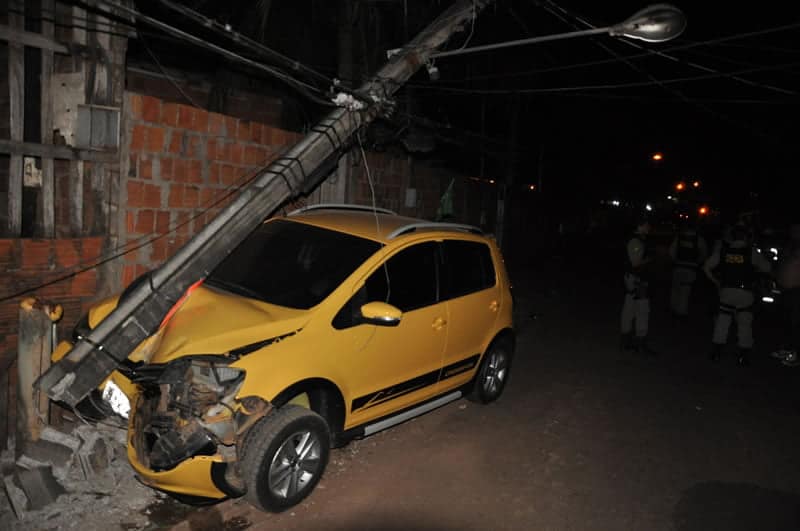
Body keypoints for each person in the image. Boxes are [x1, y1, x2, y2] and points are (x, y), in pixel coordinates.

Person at [703, 223, 771, 365]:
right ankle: (743, 356)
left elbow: (706, 267)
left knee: (722, 321)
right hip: (745, 293)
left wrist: (716, 281)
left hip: (727, 291)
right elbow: (767, 268)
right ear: (746, 237)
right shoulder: (751, 252)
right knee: (745, 323)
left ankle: (716, 352)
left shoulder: (723, 251)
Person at [621, 217, 653, 353]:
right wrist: (649, 259)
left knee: (630, 308)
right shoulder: (635, 241)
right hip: (637, 280)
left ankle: (627, 341)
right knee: (642, 310)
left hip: (634, 279)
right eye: (647, 225)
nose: (649, 227)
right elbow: (635, 263)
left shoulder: (637, 240)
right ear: (640, 226)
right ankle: (639, 342)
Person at [771, 223, 800, 366]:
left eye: (796, 230)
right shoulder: (789, 246)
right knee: (785, 320)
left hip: (796, 291)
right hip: (784, 290)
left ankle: (794, 353)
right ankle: (786, 348)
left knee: (795, 322)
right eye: (793, 229)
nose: (793, 232)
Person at [668, 222, 708, 318]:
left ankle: (673, 308)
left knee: (675, 289)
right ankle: (681, 312)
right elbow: (704, 253)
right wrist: (698, 262)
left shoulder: (679, 237)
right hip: (690, 268)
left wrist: (675, 260)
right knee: (685, 291)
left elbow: (671, 251)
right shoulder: (699, 239)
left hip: (678, 266)